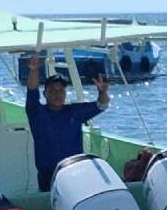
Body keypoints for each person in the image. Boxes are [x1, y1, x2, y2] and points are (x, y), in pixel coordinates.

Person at [25, 54, 110, 191]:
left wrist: (102, 92)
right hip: (49, 176)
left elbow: (102, 105)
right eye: (53, 91)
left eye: (61, 91)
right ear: (45, 94)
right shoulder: (36, 113)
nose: (57, 94)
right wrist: (34, 70)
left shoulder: (74, 112)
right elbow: (32, 90)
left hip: (75, 172)